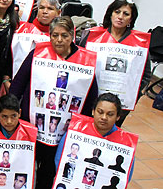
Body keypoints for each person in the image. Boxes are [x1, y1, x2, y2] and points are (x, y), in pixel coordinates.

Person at [10, 16, 99, 189]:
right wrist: (11, 105)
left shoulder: (85, 61)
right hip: (33, 121)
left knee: (49, 167)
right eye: (55, 35)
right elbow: (19, 82)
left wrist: (85, 125)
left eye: (64, 35)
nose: (59, 40)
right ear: (49, 35)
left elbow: (91, 95)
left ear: (73, 35)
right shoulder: (38, 52)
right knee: (26, 162)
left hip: (64, 127)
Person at [79, 0, 151, 125]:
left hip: (120, 102)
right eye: (117, 12)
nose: (120, 17)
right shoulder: (93, 37)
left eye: (126, 14)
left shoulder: (139, 43)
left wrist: (134, 94)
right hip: (91, 97)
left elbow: (145, 74)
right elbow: (80, 62)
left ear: (131, 19)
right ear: (110, 13)